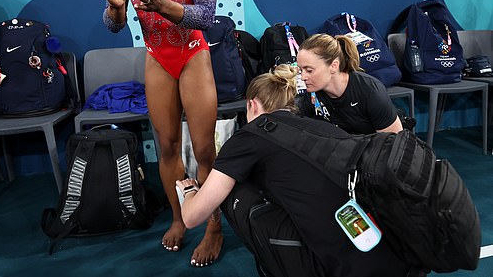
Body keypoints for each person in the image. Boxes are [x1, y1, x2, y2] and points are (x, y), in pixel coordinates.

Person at [177, 65, 413, 277]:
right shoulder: (323, 126)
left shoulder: (249, 135)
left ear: (252, 104)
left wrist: (190, 192)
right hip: (389, 251)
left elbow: (192, 217)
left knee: (232, 185)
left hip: (331, 265)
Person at [99, 0, 222, 267]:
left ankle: (213, 227)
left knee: (204, 149)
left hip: (191, 54)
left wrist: (165, 6)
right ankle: (179, 217)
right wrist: (117, 8)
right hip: (156, 57)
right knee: (167, 146)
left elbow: (206, 15)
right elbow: (115, 25)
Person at [296, 33, 403, 134]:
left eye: (309, 70)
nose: (303, 77)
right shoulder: (312, 93)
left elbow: (395, 145)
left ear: (334, 66)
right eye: (301, 70)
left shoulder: (370, 91)